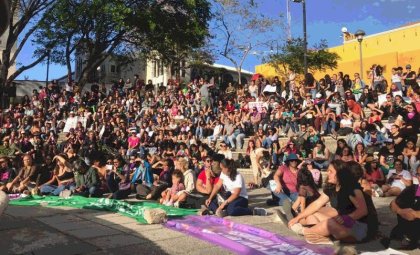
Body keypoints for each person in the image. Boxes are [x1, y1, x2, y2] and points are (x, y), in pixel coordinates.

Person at [288, 160, 379, 244]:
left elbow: (363, 210)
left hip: (361, 228)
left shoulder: (352, 188)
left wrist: (347, 217)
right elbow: (316, 204)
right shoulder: (332, 188)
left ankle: (304, 232)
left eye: (330, 171)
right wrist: (298, 217)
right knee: (313, 215)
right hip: (344, 225)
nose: (328, 173)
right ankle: (320, 235)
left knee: (330, 223)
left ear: (339, 173)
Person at [382, 183, 420, 250]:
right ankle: (405, 237)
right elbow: (393, 204)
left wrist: (416, 214)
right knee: (402, 203)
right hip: (408, 229)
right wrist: (400, 211)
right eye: (419, 174)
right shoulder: (414, 189)